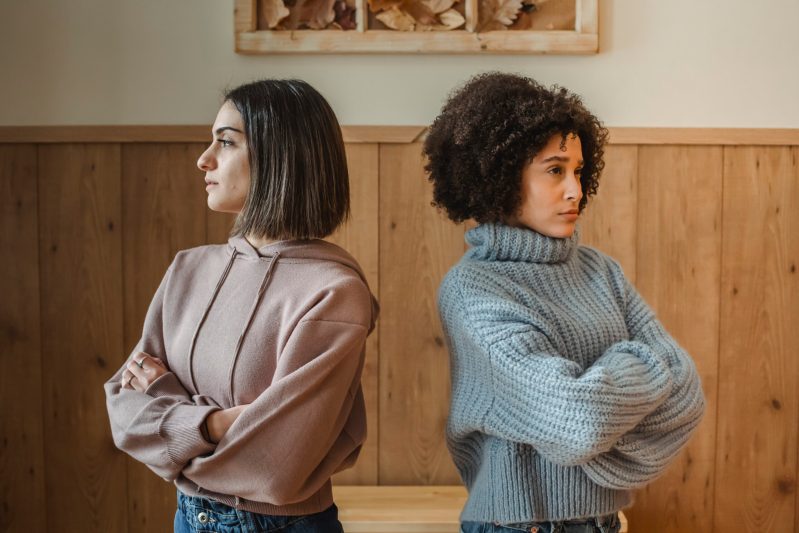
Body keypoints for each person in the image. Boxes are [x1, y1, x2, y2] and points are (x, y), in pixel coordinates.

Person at [424, 72, 705, 533]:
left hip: (605, 520)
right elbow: (580, 421)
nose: (575, 190)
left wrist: (601, 390)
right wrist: (642, 364)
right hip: (520, 524)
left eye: (578, 170)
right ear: (498, 174)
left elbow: (687, 393)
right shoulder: (473, 290)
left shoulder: (600, 269)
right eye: (555, 170)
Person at [105, 79, 379, 533]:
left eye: (226, 142)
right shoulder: (187, 269)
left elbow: (277, 467)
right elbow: (123, 409)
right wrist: (215, 426)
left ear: (281, 156)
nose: (203, 159)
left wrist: (170, 426)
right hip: (187, 518)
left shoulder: (334, 290)